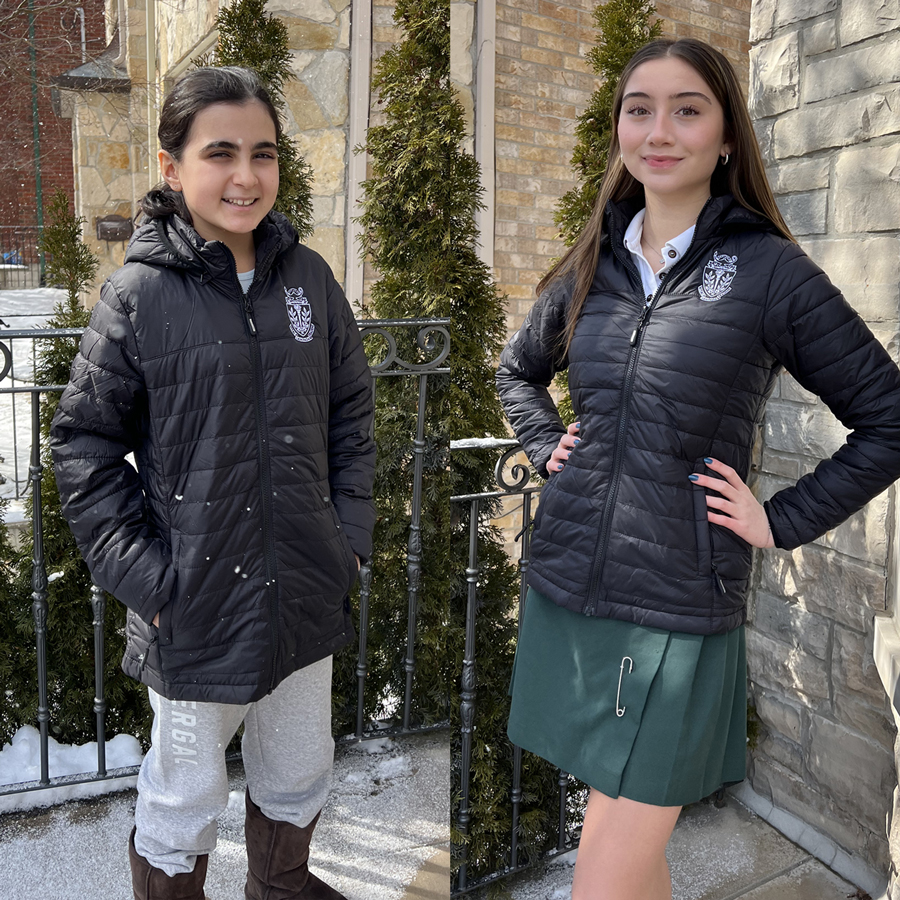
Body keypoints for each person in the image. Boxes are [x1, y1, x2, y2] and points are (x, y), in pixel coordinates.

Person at [496, 38, 900, 900]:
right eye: (639, 108)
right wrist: (544, 440)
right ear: (618, 132)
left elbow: (888, 418)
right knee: (628, 864)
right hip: (574, 587)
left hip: (677, 609)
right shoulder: (592, 263)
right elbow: (517, 370)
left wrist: (779, 518)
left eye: (688, 108)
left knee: (600, 882)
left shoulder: (770, 273)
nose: (660, 129)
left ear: (726, 138)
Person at [50, 66, 375, 900]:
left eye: (263, 154)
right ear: (173, 167)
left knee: (300, 769)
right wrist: (153, 582)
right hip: (196, 607)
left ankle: (282, 887)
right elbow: (84, 449)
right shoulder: (138, 297)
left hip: (306, 588)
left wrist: (348, 544)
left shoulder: (309, 280)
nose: (245, 176)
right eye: (220, 153)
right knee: (183, 796)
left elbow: (351, 415)